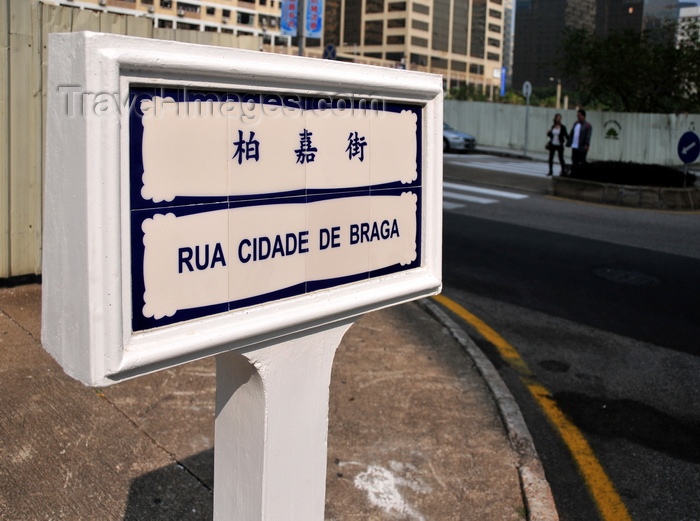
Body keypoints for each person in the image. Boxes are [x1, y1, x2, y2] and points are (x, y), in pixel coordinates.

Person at [567, 109, 592, 175]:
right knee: (574, 160)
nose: (578, 117)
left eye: (579, 115)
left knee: (582, 160)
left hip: (582, 146)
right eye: (577, 115)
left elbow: (588, 136)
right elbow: (572, 133)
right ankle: (574, 173)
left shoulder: (587, 125)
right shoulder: (575, 124)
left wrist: (587, 144)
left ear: (583, 116)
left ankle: (582, 173)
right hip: (574, 145)